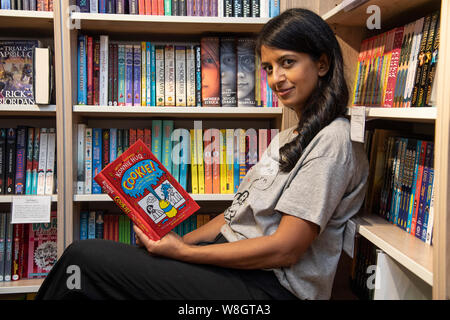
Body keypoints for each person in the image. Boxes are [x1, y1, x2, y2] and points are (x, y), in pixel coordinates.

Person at [35, 8, 368, 300]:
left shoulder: (333, 140)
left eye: (287, 63)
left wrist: (181, 254)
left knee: (81, 260)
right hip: (235, 267)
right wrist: (171, 243)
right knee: (92, 271)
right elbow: (233, 217)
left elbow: (287, 249)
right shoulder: (287, 137)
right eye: (267, 68)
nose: (276, 78)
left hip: (269, 287)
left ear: (322, 64)